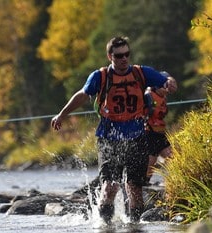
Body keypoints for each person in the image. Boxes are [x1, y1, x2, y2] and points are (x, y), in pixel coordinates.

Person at [51, 36, 177, 223]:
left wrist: (170, 82)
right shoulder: (100, 77)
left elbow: (166, 79)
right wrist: (61, 115)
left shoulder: (141, 73)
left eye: (127, 54)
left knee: (134, 189)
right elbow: (82, 95)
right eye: (119, 56)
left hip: (137, 138)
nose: (124, 59)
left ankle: (134, 226)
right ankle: (105, 225)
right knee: (110, 187)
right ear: (110, 56)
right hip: (109, 138)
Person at [144, 71, 175, 185]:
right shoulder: (148, 97)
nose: (167, 88)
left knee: (172, 156)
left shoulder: (163, 97)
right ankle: (144, 183)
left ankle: (172, 181)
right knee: (151, 160)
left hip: (160, 133)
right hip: (149, 132)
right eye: (164, 85)